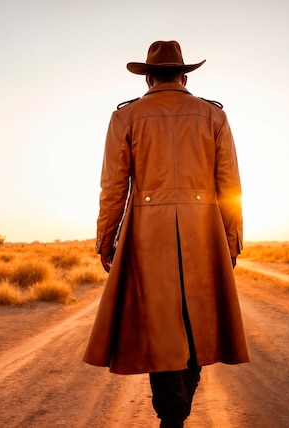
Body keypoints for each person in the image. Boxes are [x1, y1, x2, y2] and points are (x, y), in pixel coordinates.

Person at [83, 40, 250, 428]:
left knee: (161, 326)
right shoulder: (213, 115)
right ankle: (176, 413)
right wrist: (231, 240)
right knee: (196, 326)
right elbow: (230, 186)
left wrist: (105, 239)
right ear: (185, 75)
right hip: (204, 230)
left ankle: (171, 416)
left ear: (148, 78)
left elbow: (113, 185)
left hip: (147, 231)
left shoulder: (126, 116)